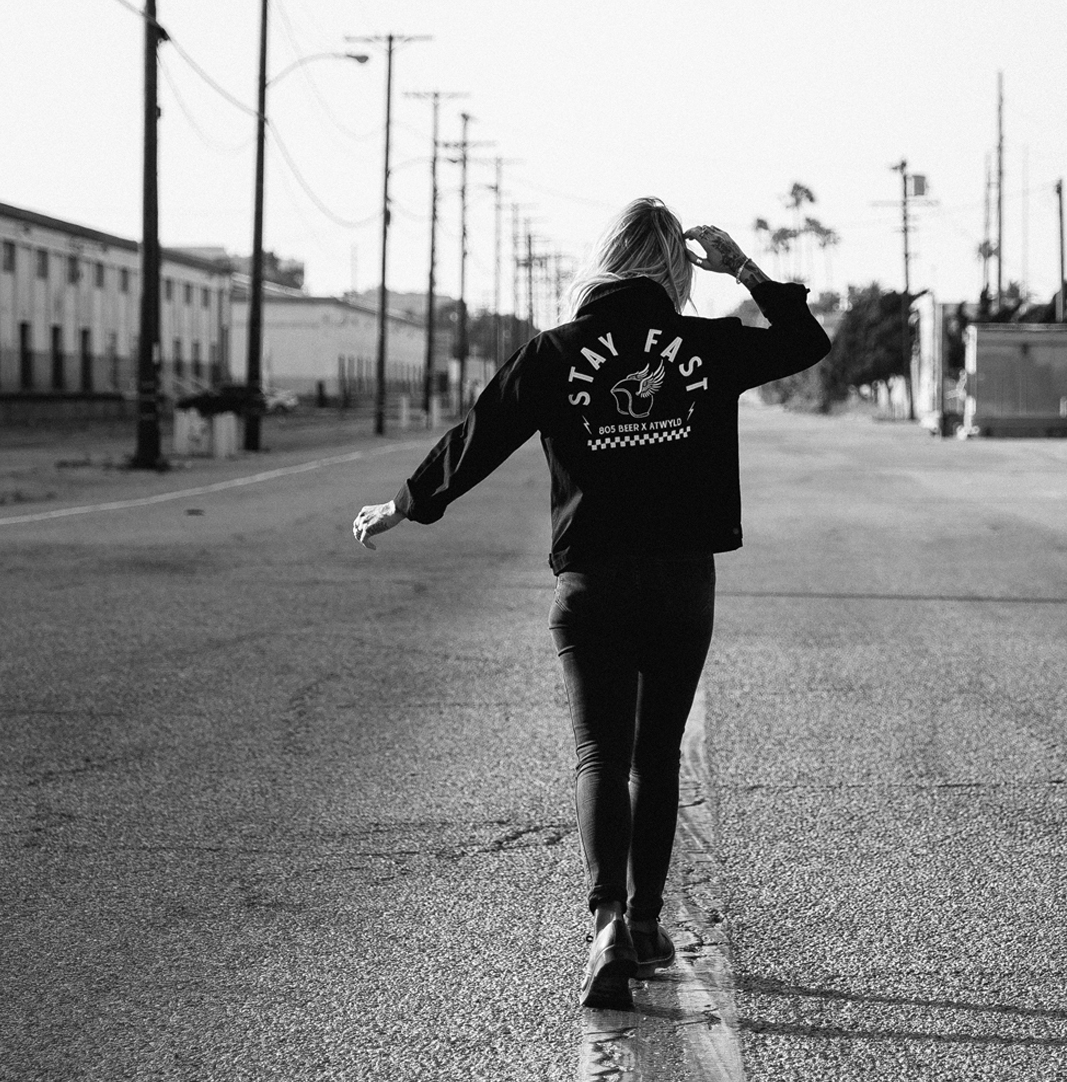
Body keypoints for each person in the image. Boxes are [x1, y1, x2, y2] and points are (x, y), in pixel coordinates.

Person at [352, 197, 829, 1010]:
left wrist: (407, 502)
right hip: (681, 581)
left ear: (604, 258)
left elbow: (479, 434)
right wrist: (744, 270)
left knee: (600, 755)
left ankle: (605, 922)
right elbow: (805, 341)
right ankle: (643, 923)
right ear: (675, 267)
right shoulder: (703, 345)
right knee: (656, 755)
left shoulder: (555, 351)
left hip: (592, 581)